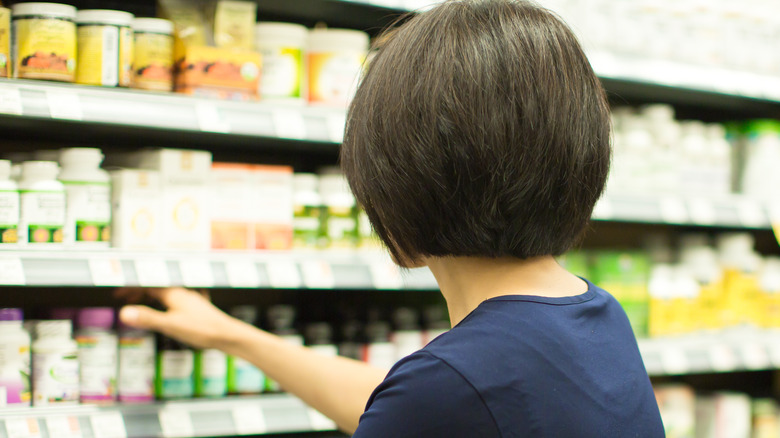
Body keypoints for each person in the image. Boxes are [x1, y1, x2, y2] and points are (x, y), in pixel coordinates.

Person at [118, 0, 665, 436]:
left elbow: (428, 401)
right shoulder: (594, 317)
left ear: (398, 184)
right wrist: (233, 336)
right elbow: (410, 402)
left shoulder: (451, 386)